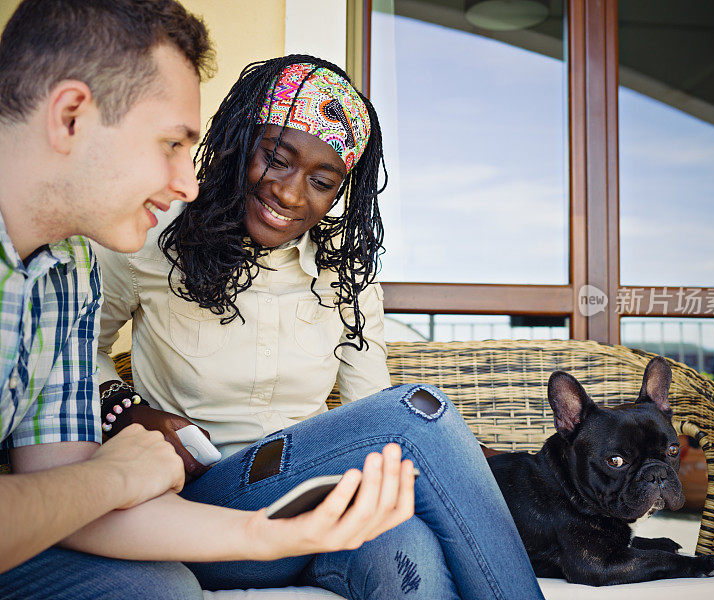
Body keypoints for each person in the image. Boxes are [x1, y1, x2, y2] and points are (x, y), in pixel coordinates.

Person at [0, 3, 413, 599]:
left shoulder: (68, 272)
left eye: (322, 181)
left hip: (271, 496)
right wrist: (120, 461)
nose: (189, 183)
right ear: (71, 118)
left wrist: (273, 536)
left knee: (168, 589)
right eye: (172, 144)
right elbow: (82, 488)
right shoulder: (141, 247)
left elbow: (61, 491)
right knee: (421, 417)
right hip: (199, 485)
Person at [95, 55, 545, 599]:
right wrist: (126, 408)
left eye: (322, 181)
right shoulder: (157, 242)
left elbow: (369, 412)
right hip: (204, 512)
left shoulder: (344, 277)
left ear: (340, 194)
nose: (289, 193)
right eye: (277, 159)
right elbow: (75, 353)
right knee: (418, 414)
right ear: (243, 142)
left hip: (315, 513)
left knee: (412, 551)